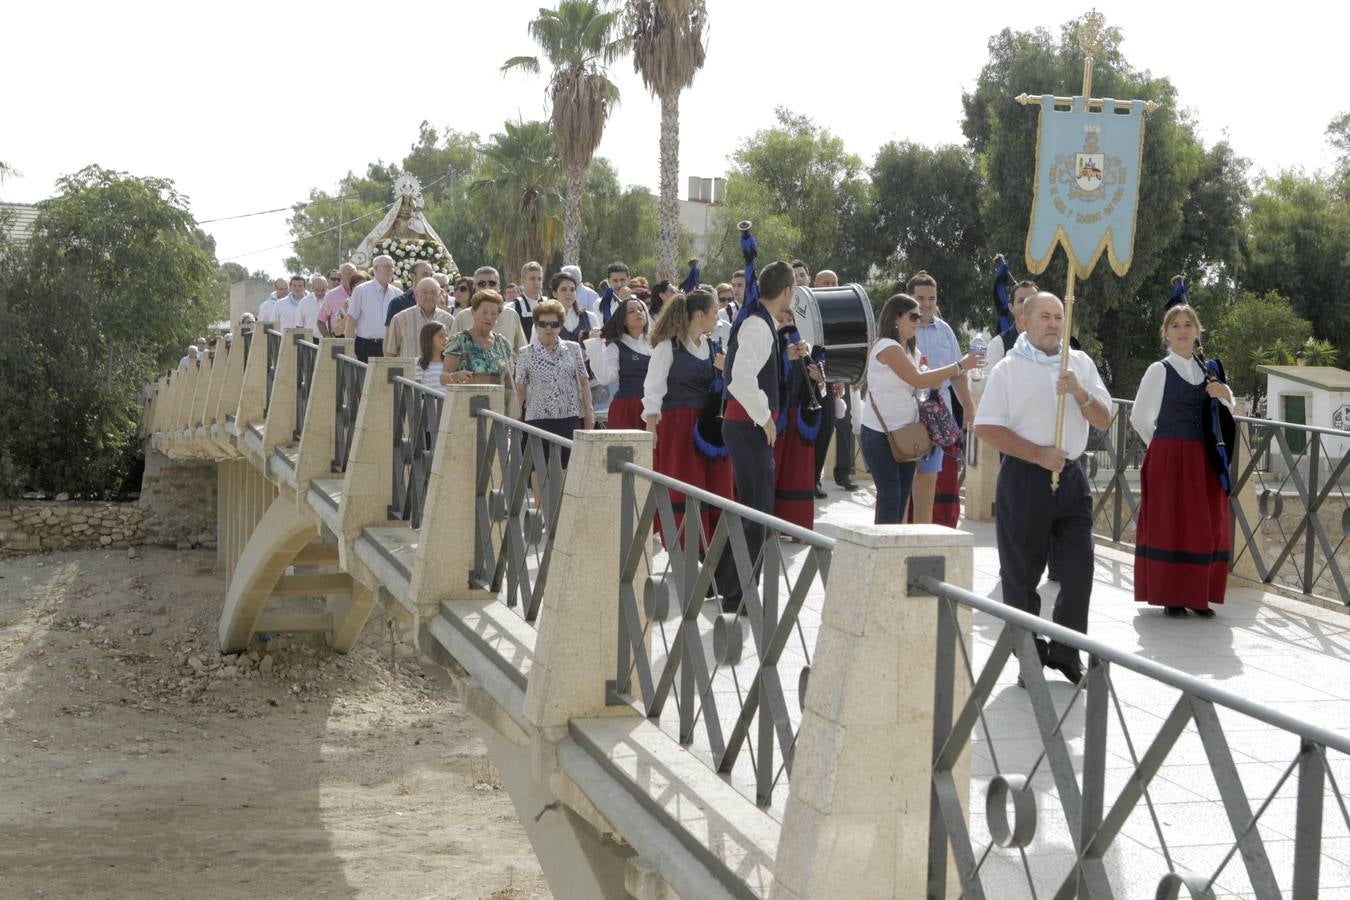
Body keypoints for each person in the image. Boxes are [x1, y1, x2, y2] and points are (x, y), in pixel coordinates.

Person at [974, 292, 1112, 684]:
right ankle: (1030, 656)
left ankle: (1067, 652)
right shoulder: (1008, 369)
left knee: (1079, 568)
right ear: (1025, 323)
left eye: (1059, 317)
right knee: (1021, 576)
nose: (1054, 324)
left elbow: (1103, 420)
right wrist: (1036, 453)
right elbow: (986, 427)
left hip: (1070, 477)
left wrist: (1080, 394)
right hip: (1025, 477)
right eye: (1045, 317)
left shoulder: (1080, 364)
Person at [1130, 304, 1234, 618]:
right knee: (1170, 523)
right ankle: (1171, 595)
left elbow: (1228, 412)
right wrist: (1161, 448)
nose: (1183, 330)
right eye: (1175, 325)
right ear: (1166, 333)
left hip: (1202, 458)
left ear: (1197, 331)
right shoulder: (1158, 370)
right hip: (1168, 455)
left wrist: (1224, 392)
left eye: (1188, 324)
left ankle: (1198, 594)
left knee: (1204, 524)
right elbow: (1139, 417)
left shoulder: (1208, 371)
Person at [860, 294, 982, 525]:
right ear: (896, 318)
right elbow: (917, 379)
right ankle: (885, 557)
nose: (919, 320)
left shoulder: (912, 352)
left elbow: (924, 382)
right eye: (913, 316)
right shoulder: (887, 346)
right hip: (879, 434)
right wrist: (959, 365)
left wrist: (937, 378)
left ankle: (896, 555)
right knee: (890, 498)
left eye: (920, 316)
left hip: (906, 433)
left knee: (901, 498)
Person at [721, 262, 798, 610]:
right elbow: (739, 378)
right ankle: (740, 594)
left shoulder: (760, 322)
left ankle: (727, 583)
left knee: (752, 507)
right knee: (758, 511)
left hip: (747, 425)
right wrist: (765, 417)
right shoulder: (758, 325)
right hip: (748, 425)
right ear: (786, 291)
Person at [643, 289, 732, 552]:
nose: (718, 317)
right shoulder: (668, 346)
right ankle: (687, 546)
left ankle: (716, 547)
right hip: (677, 424)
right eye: (715, 312)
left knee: (716, 481)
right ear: (699, 315)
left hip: (709, 425)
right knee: (685, 482)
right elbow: (653, 389)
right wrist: (651, 430)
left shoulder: (713, 347)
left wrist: (724, 370)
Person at [909, 270, 978, 527]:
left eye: (931, 298)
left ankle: (941, 545)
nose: (926, 304)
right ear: (910, 297)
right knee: (910, 492)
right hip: (909, 422)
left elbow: (958, 374)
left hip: (942, 423)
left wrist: (969, 409)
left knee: (944, 486)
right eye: (920, 298)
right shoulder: (900, 329)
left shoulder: (945, 330)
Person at [515, 299, 594, 468]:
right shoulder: (525, 353)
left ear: (560, 325)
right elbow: (520, 389)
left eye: (554, 324)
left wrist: (589, 415)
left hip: (568, 418)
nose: (548, 328)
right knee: (538, 469)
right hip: (537, 419)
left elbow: (584, 383)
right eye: (543, 324)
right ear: (536, 326)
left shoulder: (573, 349)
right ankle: (539, 497)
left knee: (568, 467)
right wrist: (516, 419)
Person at [771, 307, 823, 530]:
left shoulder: (805, 347)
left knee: (798, 472)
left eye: (788, 319)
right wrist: (784, 356)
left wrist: (818, 376)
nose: (785, 324)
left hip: (800, 418)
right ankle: (771, 524)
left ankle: (797, 526)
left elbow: (818, 387)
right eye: (779, 320)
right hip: (776, 419)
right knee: (774, 470)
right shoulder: (767, 347)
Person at [585, 297, 651, 430]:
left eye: (641, 309)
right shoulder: (616, 346)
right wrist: (595, 345)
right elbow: (604, 378)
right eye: (631, 311)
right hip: (628, 409)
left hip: (655, 409)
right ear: (624, 320)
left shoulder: (656, 343)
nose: (638, 312)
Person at [442, 289, 515, 387]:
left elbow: (508, 382)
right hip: (465, 400)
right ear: (473, 312)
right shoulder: (460, 341)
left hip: (497, 401)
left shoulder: (503, 344)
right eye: (484, 312)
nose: (489, 317)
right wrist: (455, 377)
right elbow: (443, 378)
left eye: (493, 313)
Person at [452, 267, 527, 351]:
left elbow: (523, 351)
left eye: (492, 283)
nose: (487, 287)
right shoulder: (462, 317)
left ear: (498, 287)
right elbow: (452, 352)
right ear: (475, 287)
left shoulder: (511, 315)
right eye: (482, 284)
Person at [342, 255, 400, 362]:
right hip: (365, 347)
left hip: (389, 348)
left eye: (392, 267)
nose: (390, 270)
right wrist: (349, 350)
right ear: (375, 269)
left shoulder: (397, 294)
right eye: (386, 267)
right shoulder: (361, 290)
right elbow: (351, 322)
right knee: (364, 378)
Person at [979, 279, 1039, 380]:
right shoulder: (998, 345)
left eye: (1032, 300)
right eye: (1021, 301)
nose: (1027, 305)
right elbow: (988, 384)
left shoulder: (1053, 343)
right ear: (1011, 307)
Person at [386, 277, 456, 359]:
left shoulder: (449, 320)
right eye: (424, 292)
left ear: (439, 295)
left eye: (433, 293)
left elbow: (454, 353)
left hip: (439, 371)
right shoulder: (400, 319)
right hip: (410, 371)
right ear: (416, 294)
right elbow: (390, 354)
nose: (429, 297)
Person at [551, 271, 599, 344]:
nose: (569, 293)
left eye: (572, 290)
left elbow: (599, 349)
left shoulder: (590, 317)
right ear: (554, 293)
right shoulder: (545, 320)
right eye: (564, 289)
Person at [384, 261, 435, 325]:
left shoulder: (436, 301)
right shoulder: (398, 303)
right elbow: (390, 333)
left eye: (431, 275)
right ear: (413, 277)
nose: (429, 278)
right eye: (425, 274)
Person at [318, 264, 355, 338]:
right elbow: (320, 321)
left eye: (354, 274)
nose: (352, 277)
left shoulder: (361, 293)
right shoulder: (331, 296)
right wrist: (328, 338)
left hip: (360, 340)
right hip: (339, 339)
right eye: (349, 274)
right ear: (340, 276)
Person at [512, 261, 547, 341]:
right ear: (523, 281)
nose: (536, 282)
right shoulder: (513, 307)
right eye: (532, 279)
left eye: (539, 279)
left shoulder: (548, 303)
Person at [416, 321, 449, 387]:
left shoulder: (449, 362)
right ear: (429, 338)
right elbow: (416, 392)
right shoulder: (418, 363)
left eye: (446, 336)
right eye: (441, 336)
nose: (445, 339)